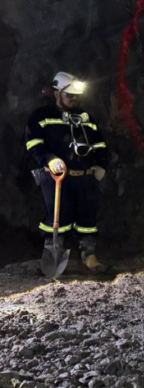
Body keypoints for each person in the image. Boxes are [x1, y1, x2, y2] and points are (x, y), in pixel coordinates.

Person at [24, 72, 110, 273]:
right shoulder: (41, 116)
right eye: (69, 94)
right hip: (55, 177)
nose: (74, 99)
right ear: (57, 93)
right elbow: (33, 143)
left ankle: (89, 256)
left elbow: (99, 143)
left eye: (76, 95)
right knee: (57, 217)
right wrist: (49, 159)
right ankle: (54, 258)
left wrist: (102, 165)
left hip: (85, 176)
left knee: (87, 217)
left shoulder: (85, 117)